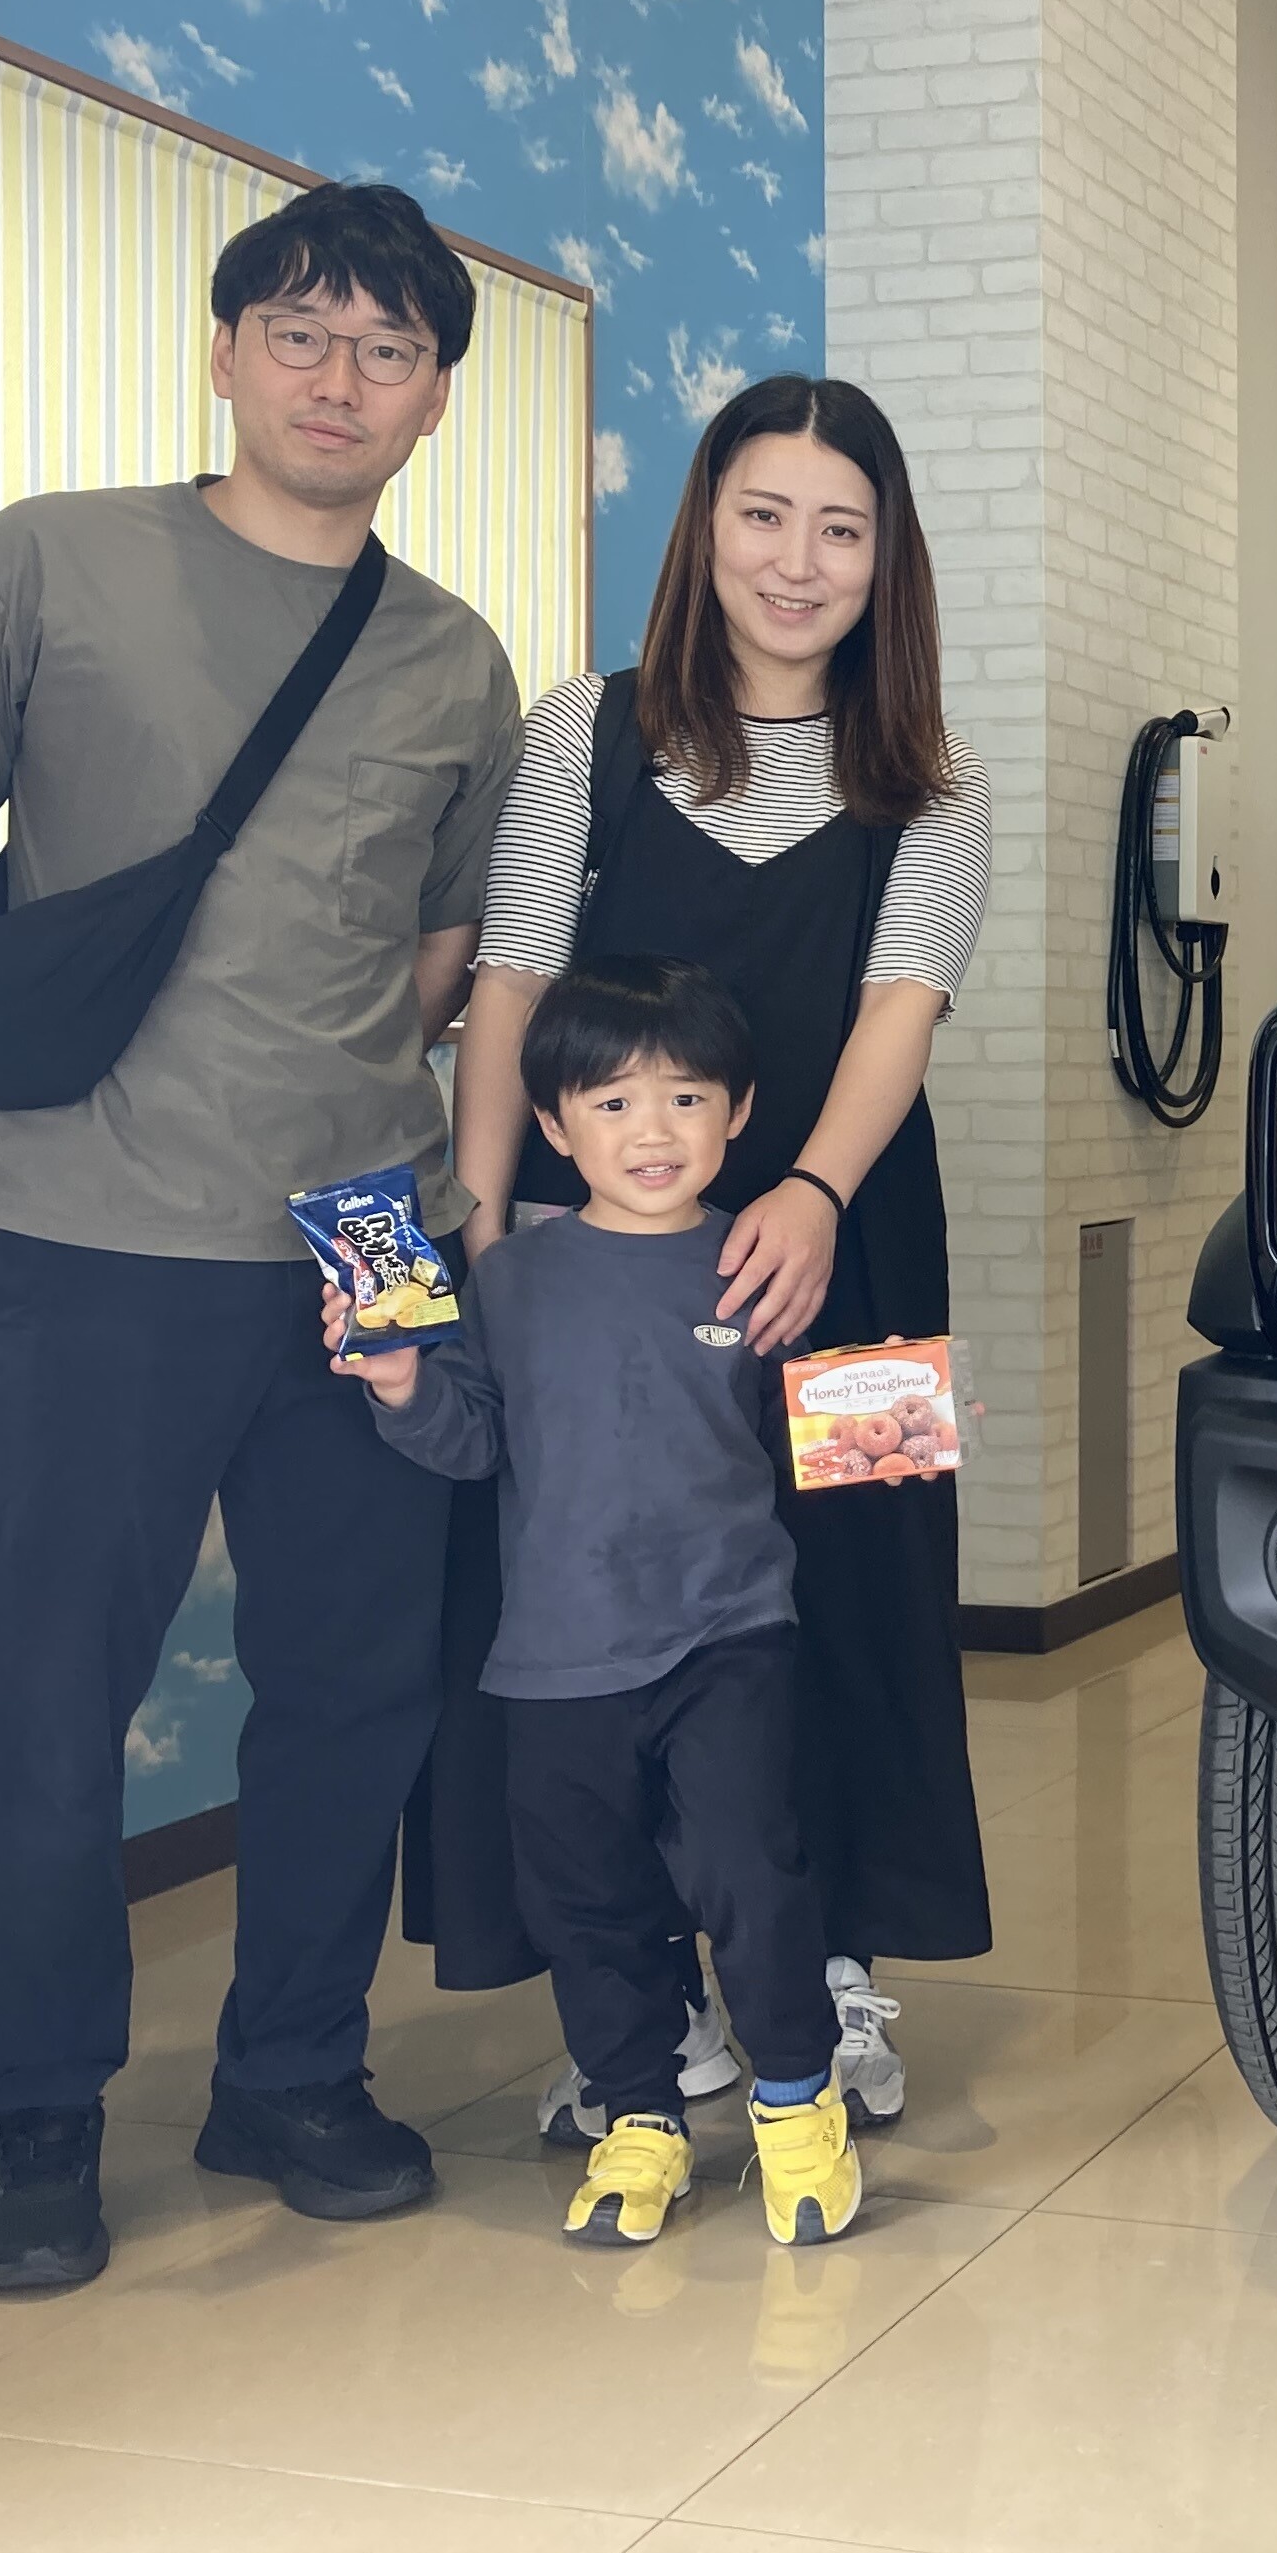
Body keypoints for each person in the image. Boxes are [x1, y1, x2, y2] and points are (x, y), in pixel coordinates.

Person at [0, 181, 522, 2293]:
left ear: (435, 399)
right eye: (299, 332)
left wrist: (357, 1127)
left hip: (373, 1230)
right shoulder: (55, 560)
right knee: (54, 1692)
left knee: (359, 1685)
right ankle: (33, 2119)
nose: (339, 378)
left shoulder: (455, 655)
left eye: (387, 349)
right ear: (222, 352)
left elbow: (441, 960)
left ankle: (292, 2069)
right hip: (94, 1222)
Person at [414, 376, 988, 2133]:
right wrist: (486, 1211)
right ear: (706, 526)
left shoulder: (934, 779)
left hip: (856, 1237)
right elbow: (512, 981)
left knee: (864, 1588)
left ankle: (835, 1969)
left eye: (841, 527)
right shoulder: (586, 729)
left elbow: (901, 1015)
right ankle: (647, 2007)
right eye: (764, 515)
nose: (797, 562)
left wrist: (807, 1192)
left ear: (886, 557)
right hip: (600, 1252)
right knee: (594, 1591)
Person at [340, 958, 863, 2248]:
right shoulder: (510, 1276)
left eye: (686, 1099)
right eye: (613, 1104)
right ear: (555, 1124)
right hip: (556, 1661)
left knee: (749, 1871)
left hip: (730, 1633)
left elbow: (817, 1435)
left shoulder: (756, 1263)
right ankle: (639, 2116)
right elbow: (476, 1442)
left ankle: (797, 2100)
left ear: (739, 1113)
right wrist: (402, 1387)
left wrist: (901, 1421)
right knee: (588, 1903)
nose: (652, 1131)